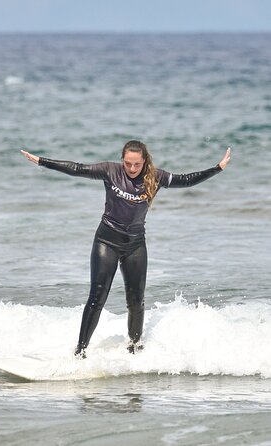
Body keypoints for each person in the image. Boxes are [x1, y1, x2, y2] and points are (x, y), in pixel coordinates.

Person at [21, 141, 231, 358]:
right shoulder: (110, 171)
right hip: (106, 242)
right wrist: (42, 161)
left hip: (135, 245)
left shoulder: (155, 177)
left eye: (136, 164)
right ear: (122, 160)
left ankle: (134, 349)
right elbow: (77, 168)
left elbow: (186, 180)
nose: (132, 168)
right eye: (128, 163)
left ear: (144, 161)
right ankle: (80, 351)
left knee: (136, 299)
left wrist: (217, 168)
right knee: (97, 297)